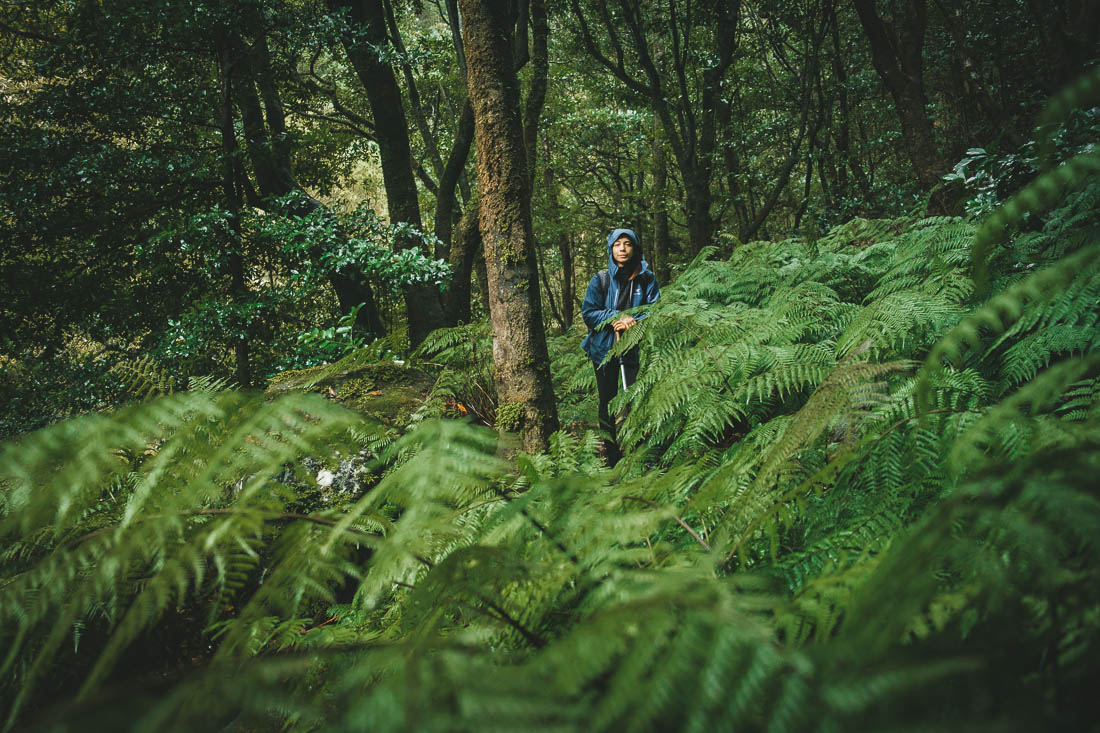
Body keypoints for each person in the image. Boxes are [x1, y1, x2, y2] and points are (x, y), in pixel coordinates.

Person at [581, 228, 660, 464]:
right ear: (611, 249)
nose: (622, 249)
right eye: (617, 245)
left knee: (637, 398)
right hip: (604, 349)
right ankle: (611, 454)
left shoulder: (647, 278)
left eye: (627, 244)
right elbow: (589, 313)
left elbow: (654, 309)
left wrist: (635, 321)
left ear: (634, 248)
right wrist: (616, 317)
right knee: (607, 401)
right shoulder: (601, 280)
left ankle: (640, 451)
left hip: (635, 348)